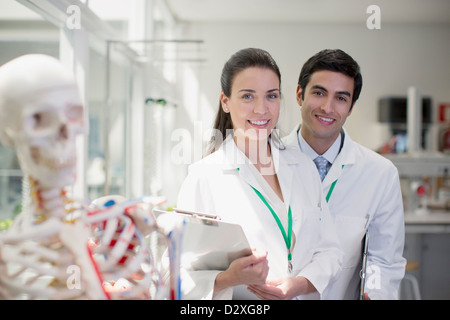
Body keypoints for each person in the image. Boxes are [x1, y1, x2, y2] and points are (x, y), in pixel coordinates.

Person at [176, 48, 343, 300]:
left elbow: (331, 251)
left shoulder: (303, 167)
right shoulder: (204, 176)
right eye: (247, 96)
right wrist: (228, 279)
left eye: (271, 96)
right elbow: (175, 274)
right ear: (225, 102)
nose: (261, 109)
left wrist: (298, 284)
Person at [283, 49, 406, 299]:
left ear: (351, 107)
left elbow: (384, 260)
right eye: (319, 93)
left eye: (341, 98)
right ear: (299, 95)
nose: (328, 108)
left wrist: (375, 292)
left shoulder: (380, 174)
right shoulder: (268, 161)